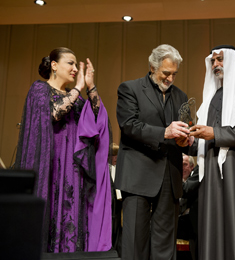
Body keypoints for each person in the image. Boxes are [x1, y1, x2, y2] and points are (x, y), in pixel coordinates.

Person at [15, 47, 112, 253]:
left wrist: (90, 86)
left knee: (72, 212)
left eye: (77, 65)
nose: (75, 68)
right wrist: (77, 89)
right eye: (71, 63)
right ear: (54, 65)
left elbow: (97, 119)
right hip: (48, 163)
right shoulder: (39, 89)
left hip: (72, 167)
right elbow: (54, 113)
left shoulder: (75, 97)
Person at [188, 45, 235, 260]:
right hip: (211, 174)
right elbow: (201, 143)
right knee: (213, 229)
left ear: (232, 61)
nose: (215, 65)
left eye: (220, 59)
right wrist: (187, 141)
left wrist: (213, 133)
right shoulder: (208, 101)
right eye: (212, 61)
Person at [116, 44, 190, 260]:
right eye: (166, 73)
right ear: (152, 67)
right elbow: (129, 125)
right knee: (134, 241)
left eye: (174, 74)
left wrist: (187, 138)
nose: (170, 79)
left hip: (169, 174)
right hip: (138, 173)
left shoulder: (181, 96)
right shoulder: (130, 89)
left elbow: (184, 130)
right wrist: (164, 133)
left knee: (166, 243)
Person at [178, 154, 200, 260]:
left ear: (192, 166)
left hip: (191, 225)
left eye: (185, 165)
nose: (182, 168)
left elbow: (186, 191)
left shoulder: (195, 178)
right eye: (179, 165)